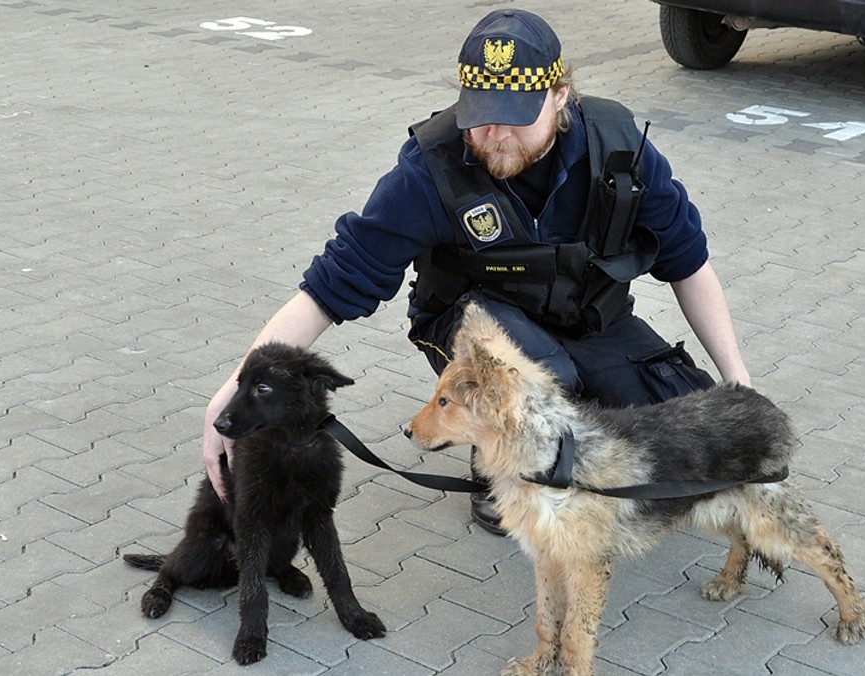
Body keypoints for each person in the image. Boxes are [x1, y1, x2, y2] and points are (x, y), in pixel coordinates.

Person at [202, 8, 751, 535]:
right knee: (540, 384)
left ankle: (562, 434)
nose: (493, 135)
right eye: (479, 116)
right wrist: (235, 390)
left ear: (560, 96)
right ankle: (497, 459)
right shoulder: (429, 169)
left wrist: (737, 382)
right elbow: (329, 288)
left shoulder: (621, 151)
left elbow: (689, 263)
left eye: (513, 117)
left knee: (676, 440)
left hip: (588, 317)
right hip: (475, 322)